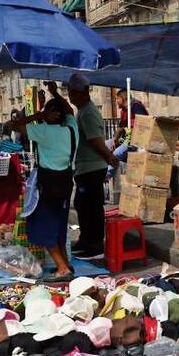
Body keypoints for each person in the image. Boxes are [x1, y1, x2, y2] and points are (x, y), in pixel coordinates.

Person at [9, 96, 78, 282]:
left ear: (49, 114)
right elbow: (70, 112)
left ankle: (62, 268)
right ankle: (65, 263)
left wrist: (39, 115)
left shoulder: (43, 131)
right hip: (66, 183)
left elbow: (14, 125)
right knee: (59, 226)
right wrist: (55, 93)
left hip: (47, 185)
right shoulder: (72, 129)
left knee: (44, 227)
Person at [65, 74, 118, 261]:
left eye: (71, 93)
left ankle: (94, 245)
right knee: (82, 204)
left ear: (80, 93)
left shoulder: (87, 112)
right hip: (85, 167)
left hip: (92, 167)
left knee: (91, 206)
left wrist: (109, 156)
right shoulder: (82, 111)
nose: (70, 97)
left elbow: (95, 140)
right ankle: (86, 240)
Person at [111, 89, 148, 162]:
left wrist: (124, 141)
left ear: (123, 98)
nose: (116, 102)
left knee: (115, 154)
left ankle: (112, 168)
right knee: (106, 146)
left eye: (117, 99)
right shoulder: (124, 111)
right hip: (125, 139)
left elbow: (140, 127)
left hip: (136, 142)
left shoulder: (136, 107)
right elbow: (120, 127)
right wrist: (115, 139)